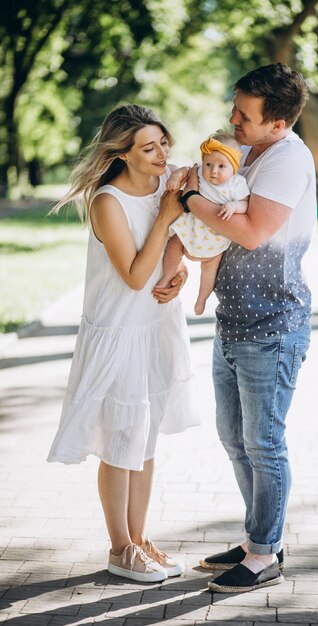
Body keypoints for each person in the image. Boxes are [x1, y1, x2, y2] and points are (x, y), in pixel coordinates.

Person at [47, 104, 199, 583]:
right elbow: (134, 276)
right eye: (148, 148)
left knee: (146, 439)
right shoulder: (106, 202)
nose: (161, 154)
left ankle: (140, 539)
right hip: (118, 332)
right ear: (123, 154)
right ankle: (119, 548)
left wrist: (178, 272)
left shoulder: (169, 181)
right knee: (120, 443)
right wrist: (164, 217)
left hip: (156, 326)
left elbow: (183, 241)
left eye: (162, 143)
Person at [181, 63, 317, 593]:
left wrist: (188, 201)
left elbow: (253, 232)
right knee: (235, 438)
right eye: (235, 107)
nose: (232, 119)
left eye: (244, 114)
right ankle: (260, 536)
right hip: (234, 319)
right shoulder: (251, 150)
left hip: (272, 324)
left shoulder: (286, 159)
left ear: (277, 124)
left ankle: (265, 556)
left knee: (263, 443)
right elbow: (218, 220)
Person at [155, 131, 249, 315]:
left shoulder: (237, 184)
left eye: (222, 166)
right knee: (173, 246)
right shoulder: (198, 172)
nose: (213, 170)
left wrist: (234, 206)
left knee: (209, 270)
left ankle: (202, 298)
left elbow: (245, 204)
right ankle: (167, 277)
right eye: (209, 164)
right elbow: (185, 171)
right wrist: (175, 178)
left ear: (234, 168)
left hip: (215, 235)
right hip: (191, 228)